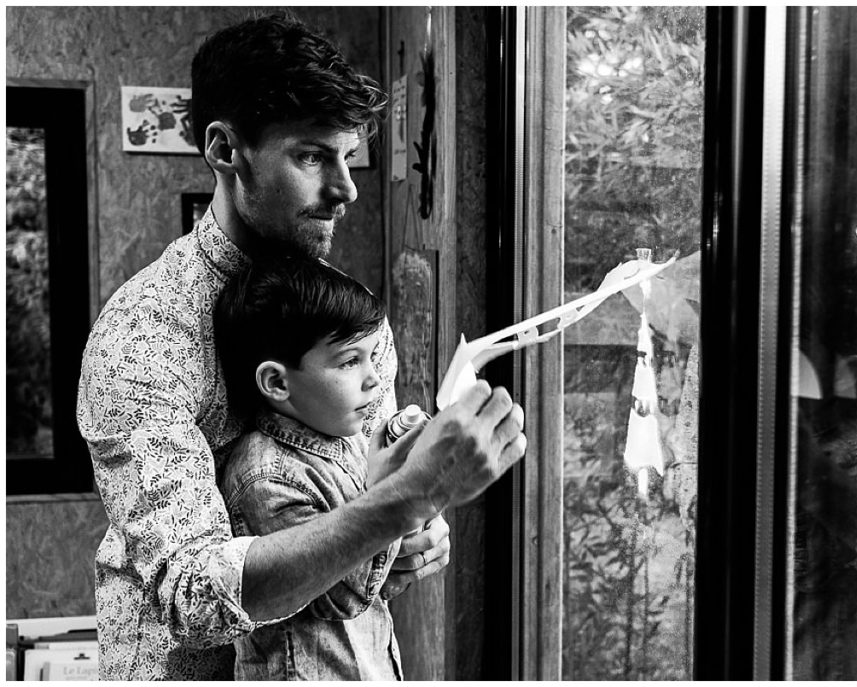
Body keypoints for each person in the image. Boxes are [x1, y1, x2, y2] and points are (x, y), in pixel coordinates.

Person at [76, 13, 526, 680]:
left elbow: (360, 511)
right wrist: (403, 501)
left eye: (348, 155)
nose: (345, 189)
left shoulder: (348, 316)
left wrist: (408, 534)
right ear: (225, 150)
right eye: (313, 155)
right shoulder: (142, 340)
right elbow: (198, 597)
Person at [214, 256, 409, 680]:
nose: (374, 379)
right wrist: (392, 490)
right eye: (348, 361)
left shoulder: (350, 439)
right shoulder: (265, 478)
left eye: (371, 356)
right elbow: (344, 595)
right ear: (278, 383)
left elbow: (382, 572)